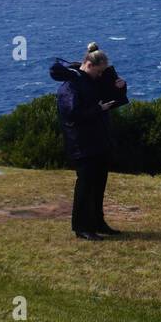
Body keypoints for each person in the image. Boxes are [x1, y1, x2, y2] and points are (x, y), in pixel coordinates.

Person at [52, 43, 127, 241]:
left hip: (99, 141)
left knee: (99, 184)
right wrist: (98, 110)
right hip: (82, 144)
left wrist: (120, 87)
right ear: (88, 64)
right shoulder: (70, 85)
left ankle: (97, 222)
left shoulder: (92, 81)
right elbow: (72, 114)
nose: (101, 75)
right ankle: (81, 227)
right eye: (99, 71)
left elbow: (111, 99)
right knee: (85, 185)